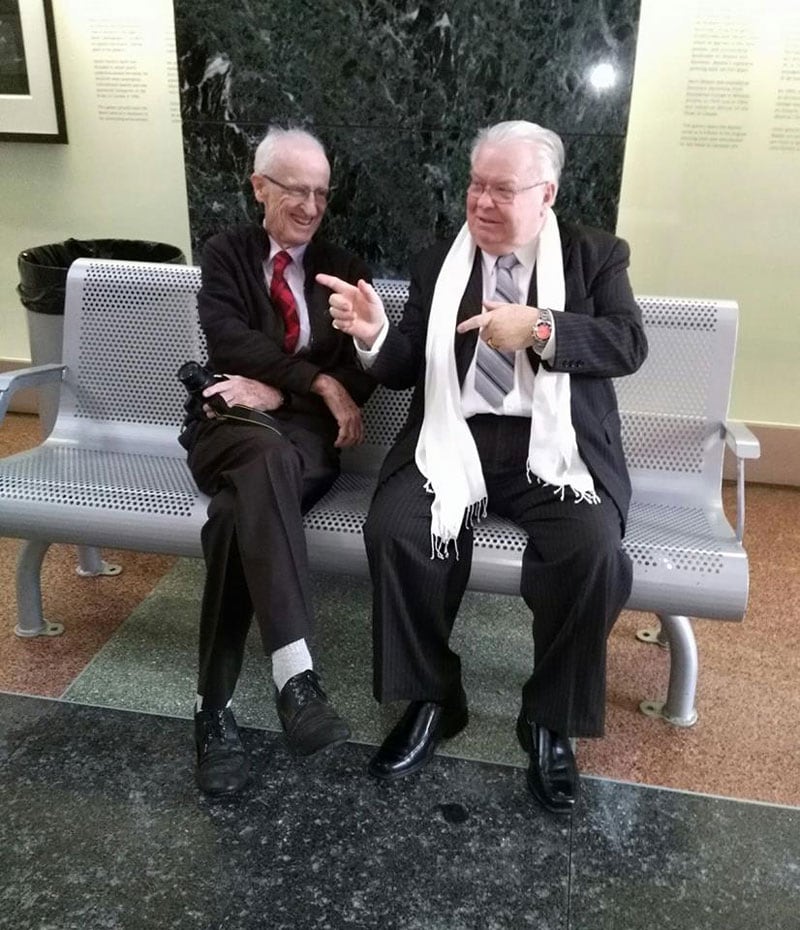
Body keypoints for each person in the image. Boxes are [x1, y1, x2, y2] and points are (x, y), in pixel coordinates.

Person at [318, 120, 648, 813]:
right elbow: (407, 365)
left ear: (546, 193)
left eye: (503, 189)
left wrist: (542, 329)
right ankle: (433, 698)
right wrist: (375, 335)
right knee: (398, 532)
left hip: (554, 451)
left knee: (590, 552)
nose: (482, 202)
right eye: (475, 185)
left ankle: (550, 720)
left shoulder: (595, 256)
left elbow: (627, 343)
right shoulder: (443, 258)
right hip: (454, 437)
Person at [180, 126, 375, 796]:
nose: (313, 206)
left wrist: (294, 385)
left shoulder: (342, 265)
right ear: (260, 186)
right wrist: (313, 382)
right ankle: (296, 679)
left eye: (322, 193)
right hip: (231, 423)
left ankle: (213, 712)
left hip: (303, 444)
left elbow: (358, 369)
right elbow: (227, 337)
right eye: (298, 190)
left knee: (238, 512)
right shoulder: (228, 253)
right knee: (261, 454)